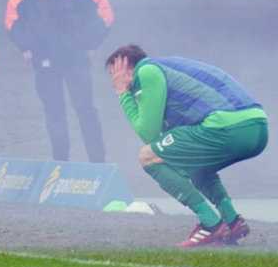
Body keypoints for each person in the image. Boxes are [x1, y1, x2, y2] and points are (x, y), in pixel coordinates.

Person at [106, 44, 269, 247]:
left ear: (125, 67)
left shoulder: (146, 72)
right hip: (257, 128)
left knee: (147, 156)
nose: (114, 82)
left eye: (114, 76)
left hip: (228, 127)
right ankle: (232, 221)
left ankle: (210, 224)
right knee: (188, 159)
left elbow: (147, 133)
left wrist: (123, 93)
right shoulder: (168, 70)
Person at [5, 0, 113, 163]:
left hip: (77, 57)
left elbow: (105, 13)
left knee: (85, 109)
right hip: (45, 59)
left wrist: (91, 43)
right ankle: (61, 161)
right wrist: (25, 46)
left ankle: (98, 160)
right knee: (54, 111)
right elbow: (11, 18)